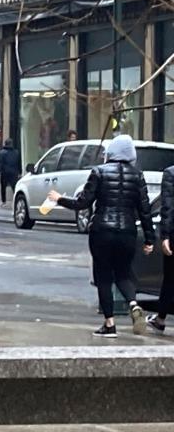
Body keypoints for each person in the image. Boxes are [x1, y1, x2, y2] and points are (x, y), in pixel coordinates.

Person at [48, 135, 154, 337]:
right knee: (123, 273)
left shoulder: (99, 172)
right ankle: (133, 304)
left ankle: (109, 324)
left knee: (103, 276)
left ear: (112, 152)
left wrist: (59, 199)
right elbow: (145, 210)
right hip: (128, 232)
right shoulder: (137, 176)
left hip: (102, 231)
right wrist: (149, 239)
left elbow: (82, 203)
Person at [148, 165, 174, 333]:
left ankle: (160, 318)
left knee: (170, 277)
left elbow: (168, 207)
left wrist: (165, 235)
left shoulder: (171, 173)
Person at [0, 139, 20, 208]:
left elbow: (0, 163)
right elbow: (18, 163)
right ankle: (16, 201)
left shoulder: (2, 153)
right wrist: (19, 172)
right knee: (14, 188)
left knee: (3, 187)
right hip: (14, 172)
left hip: (5, 172)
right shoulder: (16, 152)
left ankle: (4, 202)